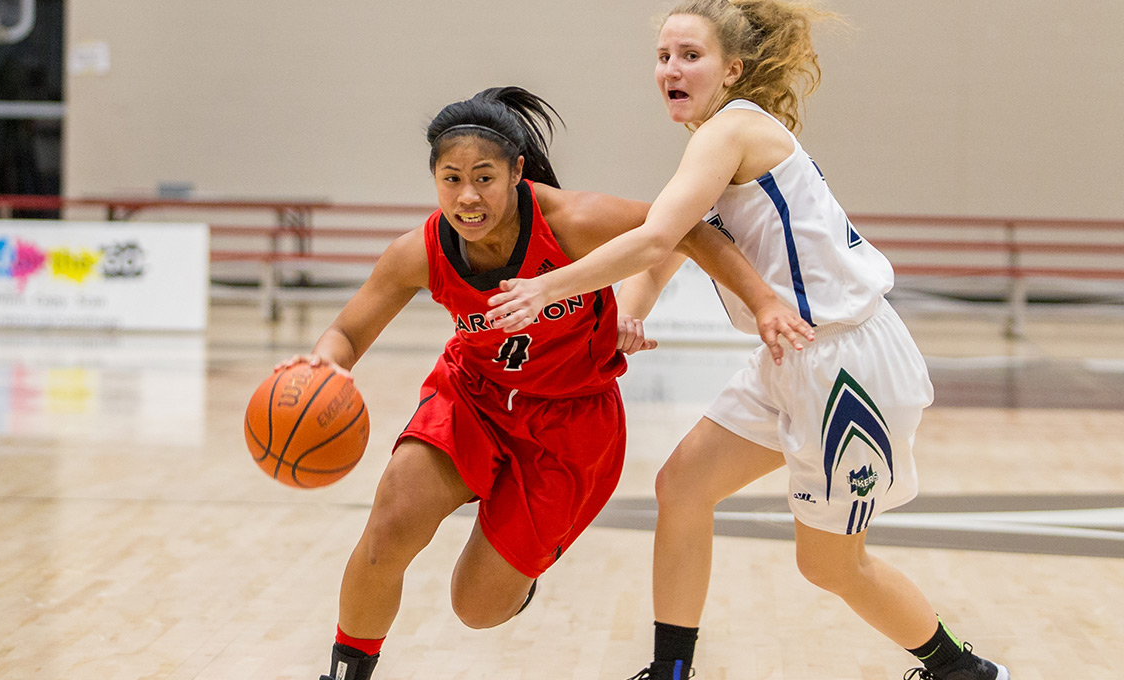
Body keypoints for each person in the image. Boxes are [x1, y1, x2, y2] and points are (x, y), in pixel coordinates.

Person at [485, 3, 1011, 680]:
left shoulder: (732, 130)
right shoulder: (715, 140)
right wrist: (629, 312)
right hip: (790, 356)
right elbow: (673, 246)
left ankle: (961, 670)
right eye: (664, 56)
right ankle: (671, 671)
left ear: (733, 69)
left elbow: (651, 236)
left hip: (846, 364)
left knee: (827, 564)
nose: (670, 69)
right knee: (681, 486)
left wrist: (547, 290)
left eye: (690, 56)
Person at [274, 86, 812, 680]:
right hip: (471, 400)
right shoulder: (420, 252)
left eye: (484, 177)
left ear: (516, 173)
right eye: (451, 179)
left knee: (475, 608)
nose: (468, 196)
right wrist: (325, 363)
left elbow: (690, 231)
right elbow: (346, 334)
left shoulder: (575, 222)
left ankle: (515, 575)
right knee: (388, 530)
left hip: (570, 423)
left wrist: (760, 300)